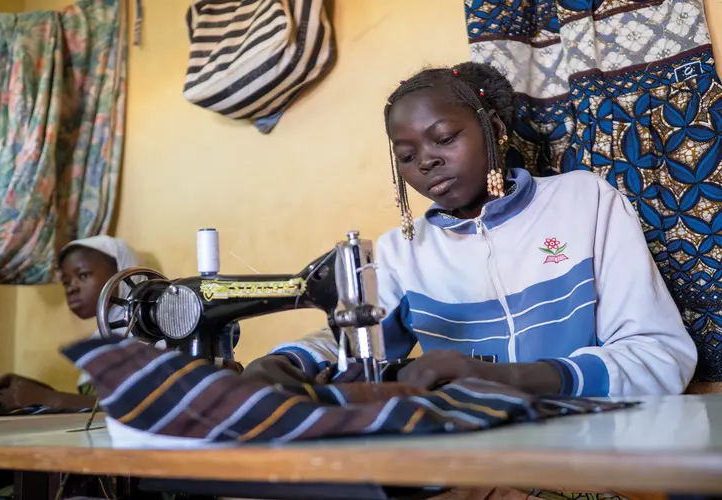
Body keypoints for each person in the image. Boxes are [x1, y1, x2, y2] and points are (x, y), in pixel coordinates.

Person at [242, 62, 698, 397]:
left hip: (593, 449)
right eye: (406, 155)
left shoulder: (585, 203)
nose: (426, 161)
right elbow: (355, 344)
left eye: (444, 138)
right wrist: (290, 360)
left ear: (494, 129)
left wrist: (514, 378)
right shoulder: (403, 252)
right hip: (473, 454)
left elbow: (659, 357)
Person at [0, 236, 139, 411]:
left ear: (123, 270)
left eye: (83, 275)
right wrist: (37, 394)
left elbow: (144, 411)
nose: (71, 288)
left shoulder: (153, 339)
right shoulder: (103, 337)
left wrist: (52, 399)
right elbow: (94, 408)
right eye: (66, 282)